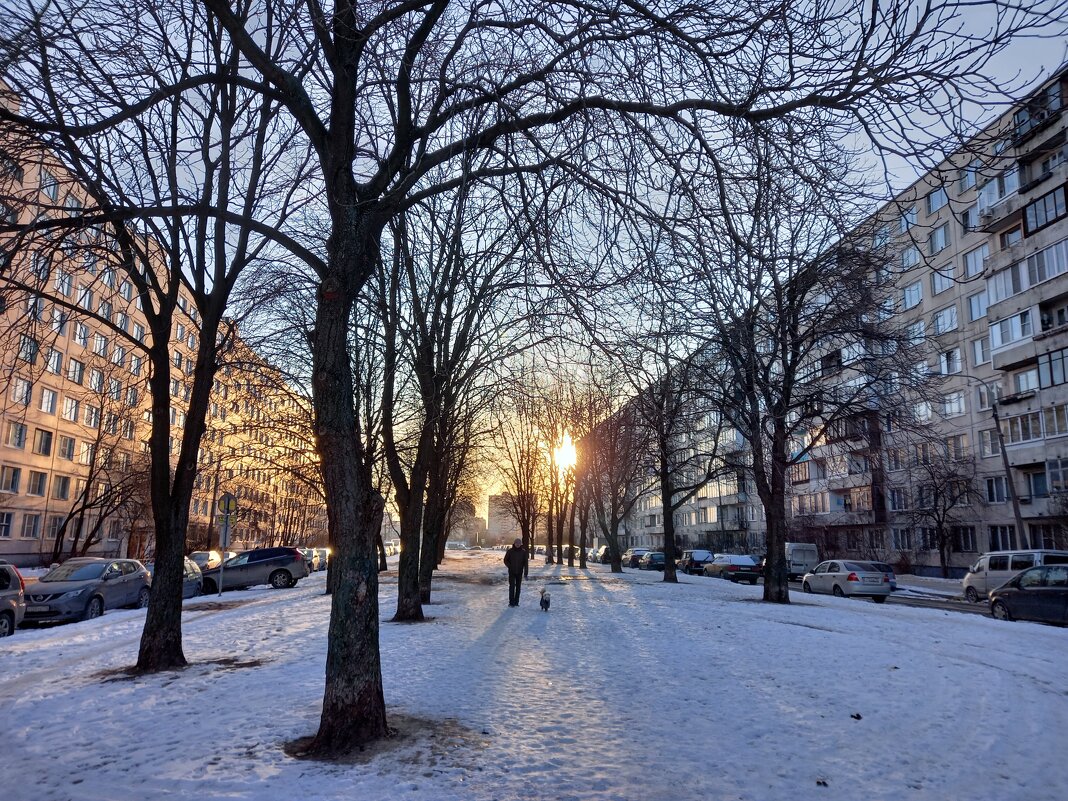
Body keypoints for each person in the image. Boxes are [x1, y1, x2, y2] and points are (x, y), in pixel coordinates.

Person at [503, 538, 527, 607]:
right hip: (512, 572)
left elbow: (526, 563)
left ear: (521, 544)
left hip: (519, 572)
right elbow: (505, 560)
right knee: (512, 587)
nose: (518, 545)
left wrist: (526, 572)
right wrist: (509, 566)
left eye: (519, 543)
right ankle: (511, 602)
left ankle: (516, 602)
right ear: (514, 543)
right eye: (516, 543)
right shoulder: (510, 551)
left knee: (518, 588)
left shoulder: (523, 552)